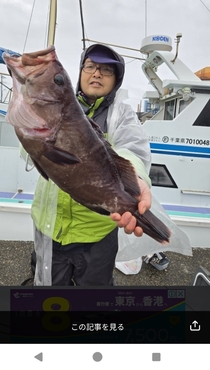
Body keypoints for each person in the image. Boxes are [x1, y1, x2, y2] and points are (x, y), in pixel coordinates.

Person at [31, 43, 165, 286]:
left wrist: (135, 179)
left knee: (94, 302)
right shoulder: (55, 103)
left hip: (97, 232)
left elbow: (132, 149)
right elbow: (30, 150)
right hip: (47, 224)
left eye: (106, 70)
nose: (96, 74)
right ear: (80, 72)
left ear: (116, 80)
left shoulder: (121, 114)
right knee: (48, 296)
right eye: (91, 66)